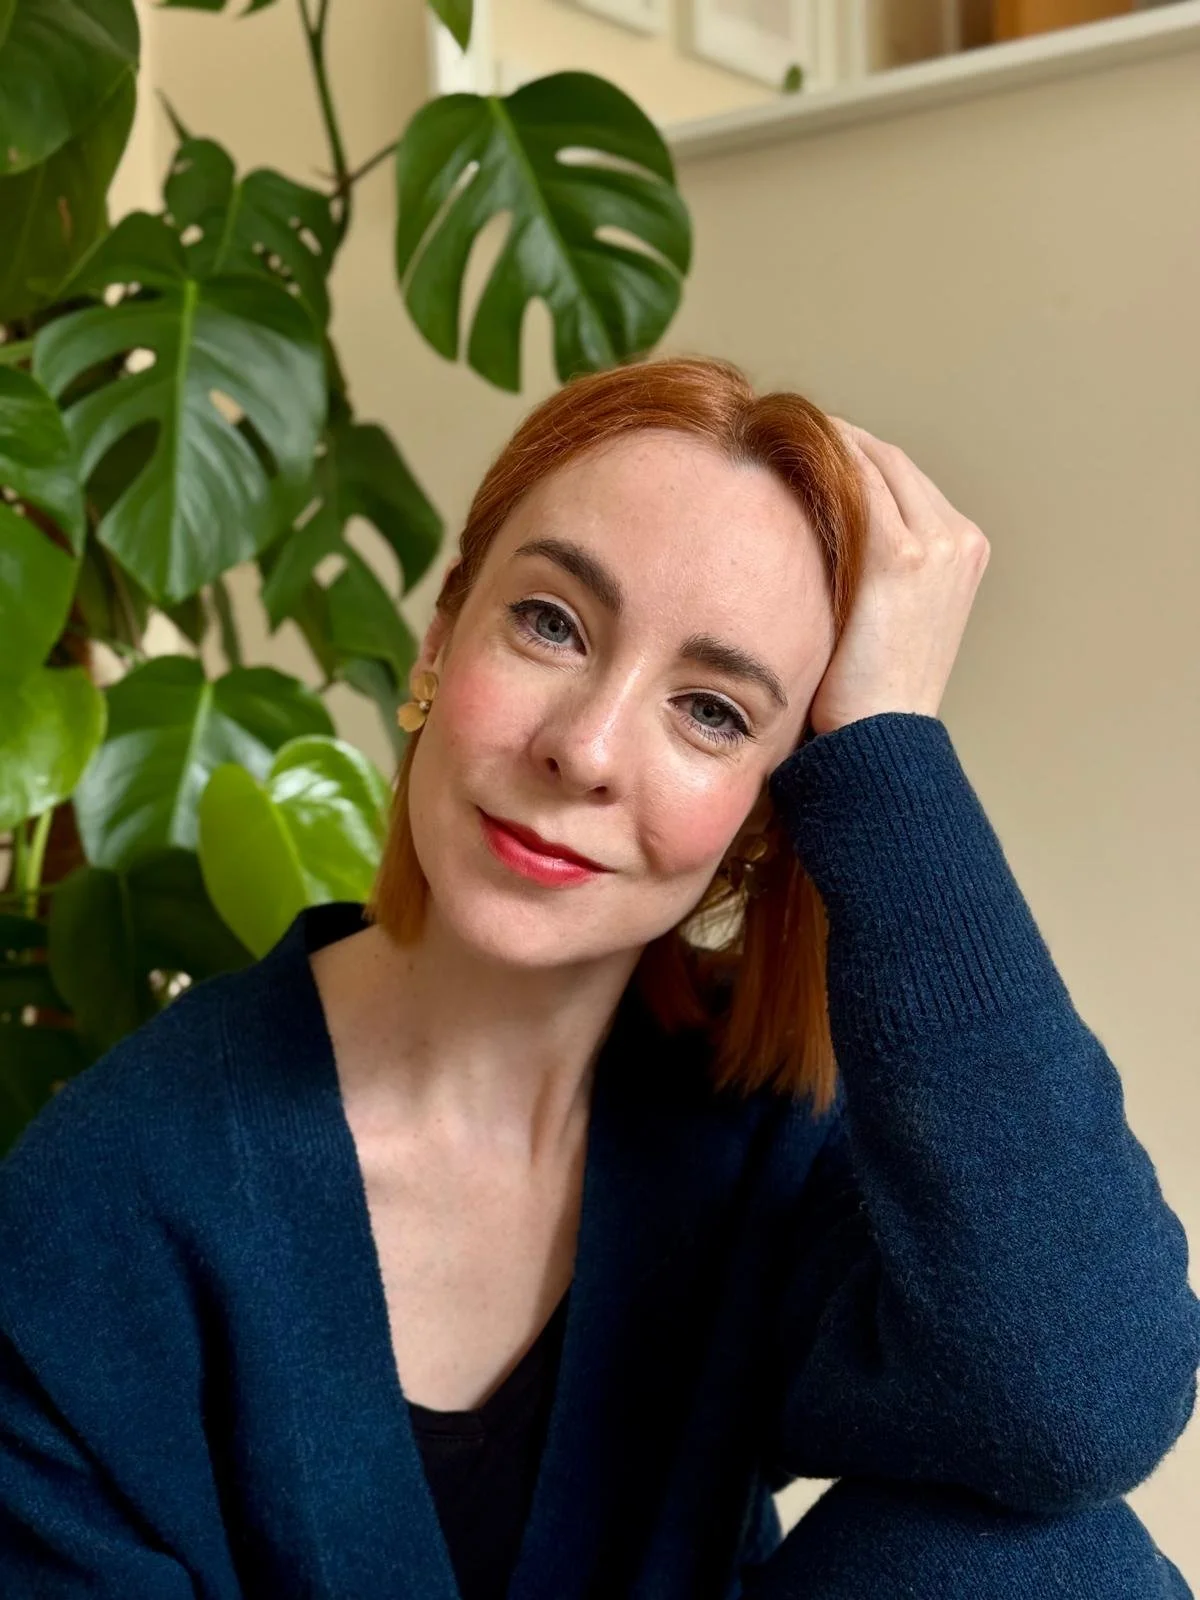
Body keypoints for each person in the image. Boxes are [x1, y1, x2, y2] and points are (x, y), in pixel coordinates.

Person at [1, 354, 1196, 1598]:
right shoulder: (103, 1210)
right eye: (551, 623)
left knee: (1040, 1569)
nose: (585, 749)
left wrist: (894, 760)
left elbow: (1085, 1395)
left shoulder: (754, 1138)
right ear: (435, 642)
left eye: (715, 712)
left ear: (762, 821)